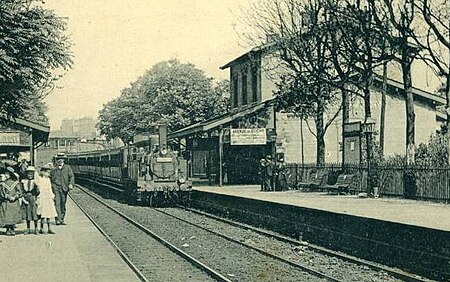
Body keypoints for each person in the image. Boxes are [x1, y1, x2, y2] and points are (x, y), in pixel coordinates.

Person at [50, 153, 74, 225]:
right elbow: (50, 177)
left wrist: (71, 184)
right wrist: (51, 186)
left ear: (64, 160)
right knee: (57, 203)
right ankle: (58, 219)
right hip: (56, 188)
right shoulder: (54, 169)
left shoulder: (68, 168)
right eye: (58, 159)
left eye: (61, 159)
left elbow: (72, 177)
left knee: (63, 203)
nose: (60, 160)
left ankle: (62, 219)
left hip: (64, 188)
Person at [0, 167, 23, 236]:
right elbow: (19, 192)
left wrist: (10, 197)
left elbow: (2, 193)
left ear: (10, 174)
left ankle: (10, 229)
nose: (5, 175)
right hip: (11, 201)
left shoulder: (12, 183)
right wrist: (13, 197)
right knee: (10, 215)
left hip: (9, 201)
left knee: (10, 215)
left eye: (7, 173)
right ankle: (10, 229)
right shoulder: (5, 183)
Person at [37, 165, 57, 234]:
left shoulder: (48, 179)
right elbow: (38, 187)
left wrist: (52, 196)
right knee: (42, 213)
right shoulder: (39, 179)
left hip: (48, 196)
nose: (48, 174)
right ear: (43, 172)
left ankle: (49, 228)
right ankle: (41, 228)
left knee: (49, 213)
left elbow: (50, 188)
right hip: (42, 196)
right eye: (47, 172)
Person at [21, 166, 40, 235]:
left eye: (31, 174)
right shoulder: (23, 181)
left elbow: (38, 192)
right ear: (26, 174)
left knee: (34, 213)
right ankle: (28, 228)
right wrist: (23, 199)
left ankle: (36, 228)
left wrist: (37, 186)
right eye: (28, 174)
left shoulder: (35, 182)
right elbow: (22, 191)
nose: (30, 176)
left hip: (33, 198)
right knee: (27, 214)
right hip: (26, 198)